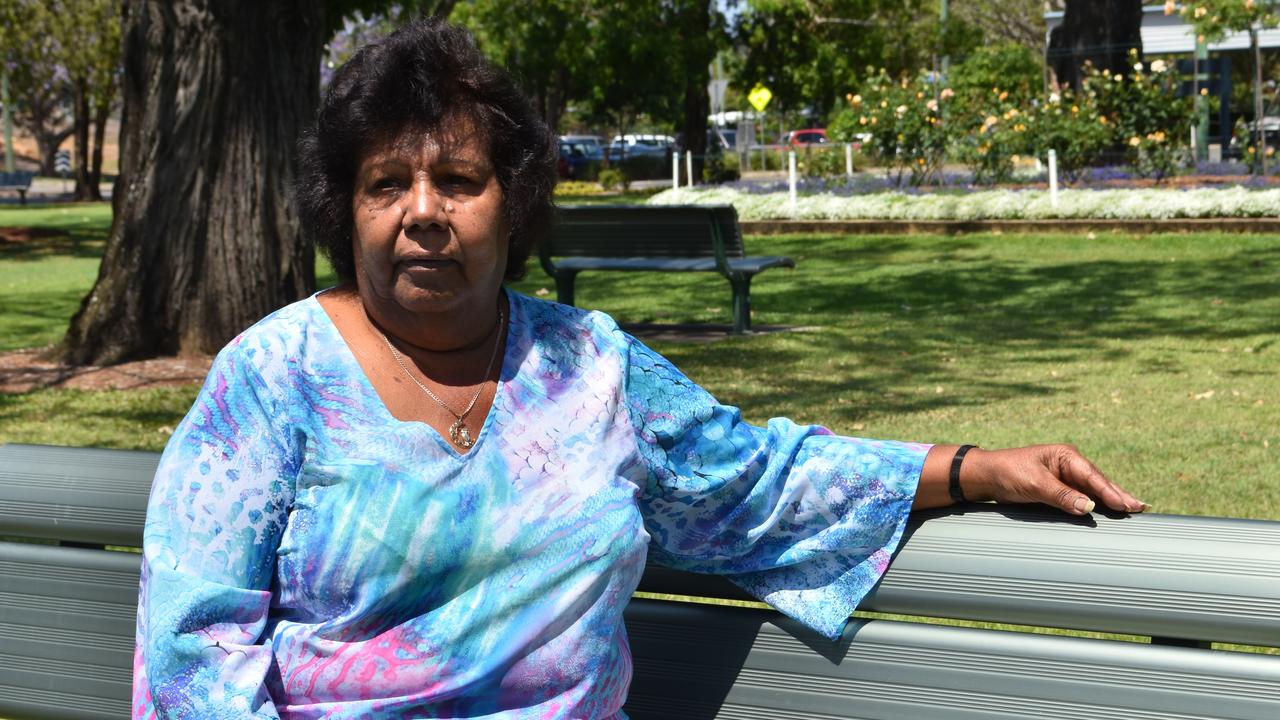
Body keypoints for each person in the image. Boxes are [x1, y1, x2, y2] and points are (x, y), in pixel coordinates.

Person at [132, 19, 1148, 720]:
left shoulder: (589, 365)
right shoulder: (271, 379)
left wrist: (970, 468)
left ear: (512, 203)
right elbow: (192, 653)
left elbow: (749, 481)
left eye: (458, 179)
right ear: (342, 209)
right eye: (385, 182)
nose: (422, 211)